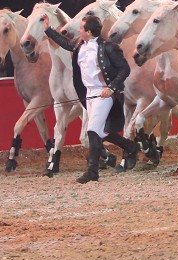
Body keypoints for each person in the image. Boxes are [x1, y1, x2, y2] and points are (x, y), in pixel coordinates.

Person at [41, 12, 142, 182]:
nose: (78, 31)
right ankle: (131, 147)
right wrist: (48, 30)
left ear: (89, 32)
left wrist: (111, 88)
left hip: (104, 94)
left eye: (81, 29)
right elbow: (65, 43)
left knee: (92, 130)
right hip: (89, 94)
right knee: (102, 132)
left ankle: (93, 171)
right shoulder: (80, 46)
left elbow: (124, 69)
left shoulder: (108, 47)